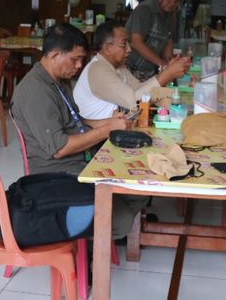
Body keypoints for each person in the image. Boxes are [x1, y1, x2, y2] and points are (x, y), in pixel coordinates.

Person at [11, 22, 149, 238]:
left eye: (81, 59)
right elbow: (60, 148)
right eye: (75, 59)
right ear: (55, 54)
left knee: (141, 187)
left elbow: (74, 119)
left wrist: (104, 123)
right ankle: (91, 239)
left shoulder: (59, 81)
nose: (79, 65)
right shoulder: (35, 91)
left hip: (81, 159)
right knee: (121, 221)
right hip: (56, 174)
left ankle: (97, 226)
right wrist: (106, 131)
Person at [74, 21, 189, 120]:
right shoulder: (98, 69)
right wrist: (167, 74)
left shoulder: (117, 66)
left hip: (112, 127)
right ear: (107, 48)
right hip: (96, 138)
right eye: (124, 44)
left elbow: (139, 88)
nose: (129, 49)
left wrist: (166, 71)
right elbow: (135, 103)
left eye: (128, 43)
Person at [125, 0, 184, 81]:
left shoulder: (169, 15)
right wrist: (163, 64)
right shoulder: (145, 10)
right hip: (131, 70)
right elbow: (136, 42)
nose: (172, 3)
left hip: (150, 71)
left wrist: (170, 65)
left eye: (177, 0)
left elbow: (168, 42)